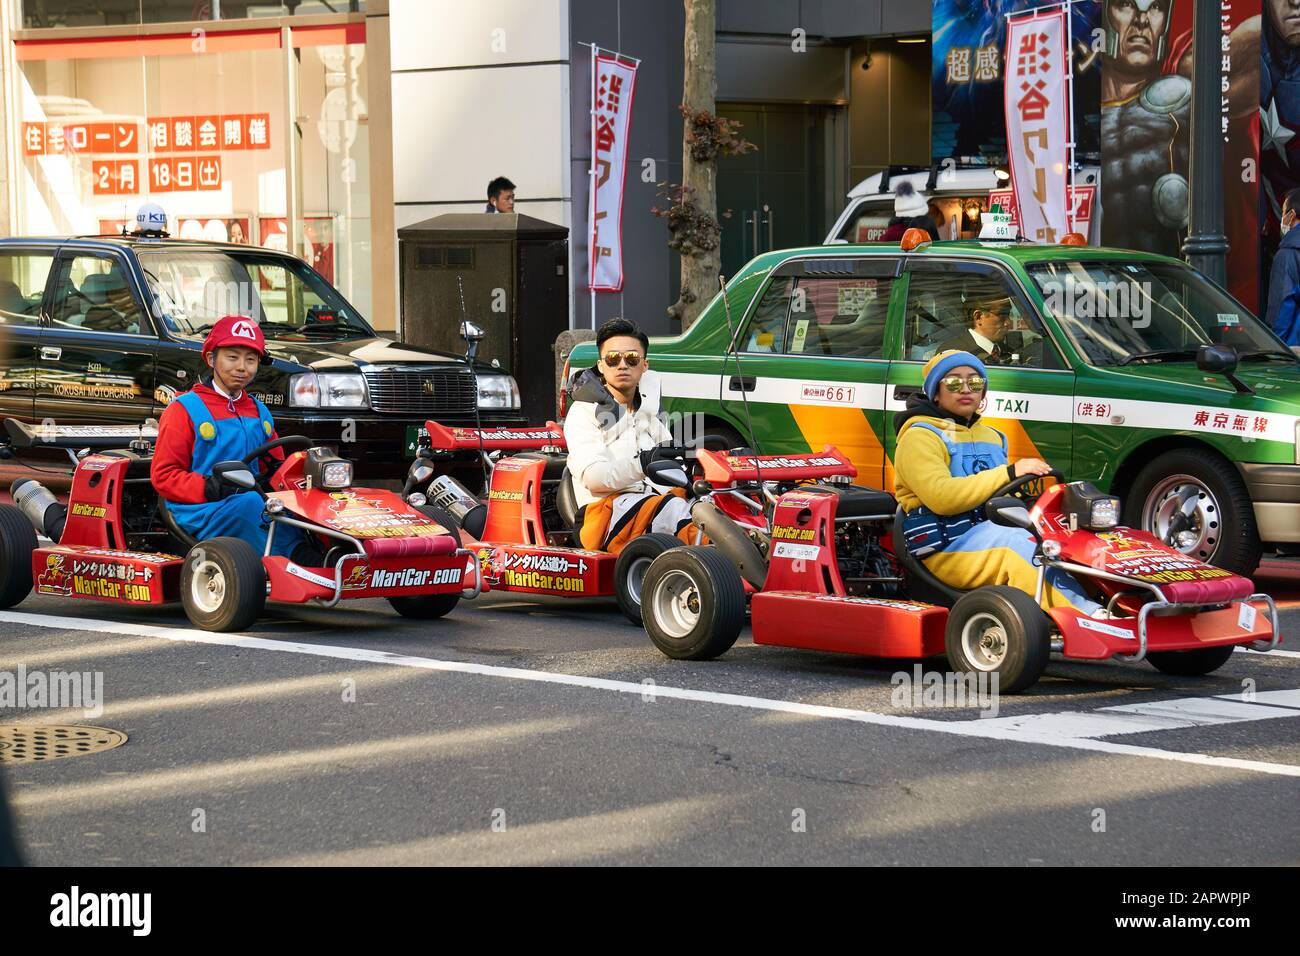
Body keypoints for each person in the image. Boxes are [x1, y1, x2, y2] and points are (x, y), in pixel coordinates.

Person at [893, 349, 1103, 615]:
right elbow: (941, 497)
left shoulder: (993, 436)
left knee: (1069, 538)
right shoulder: (920, 436)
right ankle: (1087, 615)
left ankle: (1128, 601)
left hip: (988, 532)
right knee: (1015, 544)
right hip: (945, 546)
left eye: (975, 382)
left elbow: (1002, 491)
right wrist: (1009, 473)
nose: (966, 388)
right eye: (954, 382)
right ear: (935, 392)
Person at [151, 315, 304, 557]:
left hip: (249, 502)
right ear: (211, 359)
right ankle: (299, 560)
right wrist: (210, 487)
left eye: (251, 360)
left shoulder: (259, 412)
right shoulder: (184, 409)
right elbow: (164, 476)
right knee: (252, 506)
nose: (242, 367)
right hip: (199, 508)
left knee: (304, 502)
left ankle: (339, 553)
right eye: (232, 357)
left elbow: (276, 468)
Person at [563, 318, 697, 555]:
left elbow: (673, 467)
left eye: (632, 359)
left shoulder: (650, 415)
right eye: (613, 359)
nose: (622, 365)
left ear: (644, 365)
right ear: (601, 366)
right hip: (603, 514)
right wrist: (643, 463)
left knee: (710, 505)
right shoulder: (584, 412)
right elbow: (594, 478)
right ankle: (729, 571)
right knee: (673, 510)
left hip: (655, 504)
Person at [938, 291, 1017, 363]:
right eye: (1001, 315)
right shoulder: (952, 354)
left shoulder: (1008, 351)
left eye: (1008, 314)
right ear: (978, 317)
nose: (1008, 323)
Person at [1266, 186, 1300, 343]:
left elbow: (1280, 311)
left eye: (1283, 213)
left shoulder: (1288, 253)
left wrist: (1275, 350)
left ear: (1291, 215)